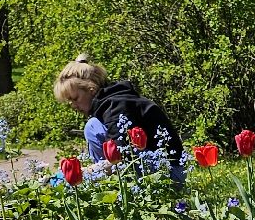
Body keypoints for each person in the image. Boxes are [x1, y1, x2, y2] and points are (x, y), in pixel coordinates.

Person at [52, 55, 184, 181]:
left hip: (168, 172)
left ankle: (106, 183)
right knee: (93, 126)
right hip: (153, 167)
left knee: (92, 127)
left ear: (91, 89)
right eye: (69, 102)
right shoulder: (110, 102)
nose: (74, 106)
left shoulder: (117, 106)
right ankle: (110, 184)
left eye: (75, 99)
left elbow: (121, 154)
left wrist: (85, 173)